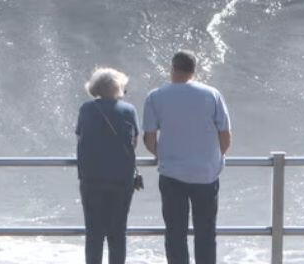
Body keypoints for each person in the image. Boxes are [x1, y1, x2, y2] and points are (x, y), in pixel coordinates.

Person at [143, 50, 231, 264]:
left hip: (172, 174)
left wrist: (162, 155)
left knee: (175, 233)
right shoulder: (212, 94)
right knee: (206, 233)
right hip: (206, 174)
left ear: (173, 68)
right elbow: (225, 135)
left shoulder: (156, 96)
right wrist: (214, 158)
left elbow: (149, 137)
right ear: (194, 70)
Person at [76, 67, 139, 264]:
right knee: (118, 233)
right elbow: (134, 142)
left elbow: (80, 137)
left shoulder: (86, 109)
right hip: (121, 179)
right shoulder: (128, 110)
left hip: (91, 178)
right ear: (116, 87)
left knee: (94, 233)